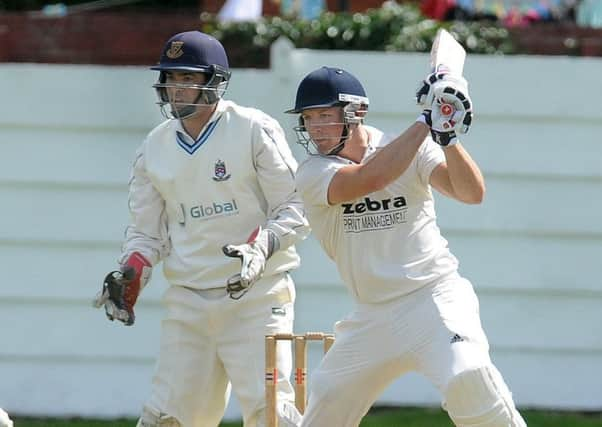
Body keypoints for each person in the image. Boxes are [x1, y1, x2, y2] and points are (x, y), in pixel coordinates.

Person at [285, 66, 527, 427]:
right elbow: (372, 177)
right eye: (308, 118)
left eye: (324, 115)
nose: (316, 128)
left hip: (433, 298)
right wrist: (427, 120)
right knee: (328, 404)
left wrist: (448, 137)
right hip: (372, 315)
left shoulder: (411, 147)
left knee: (468, 377)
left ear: (356, 112)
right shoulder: (312, 172)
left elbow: (471, 193)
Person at [94, 30, 309, 427]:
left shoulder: (252, 129)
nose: (175, 89)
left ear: (213, 81)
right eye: (170, 79)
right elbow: (146, 232)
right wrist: (132, 272)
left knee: (272, 416)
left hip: (256, 298)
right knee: (168, 420)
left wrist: (262, 247)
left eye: (186, 78)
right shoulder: (153, 148)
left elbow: (295, 206)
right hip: (189, 301)